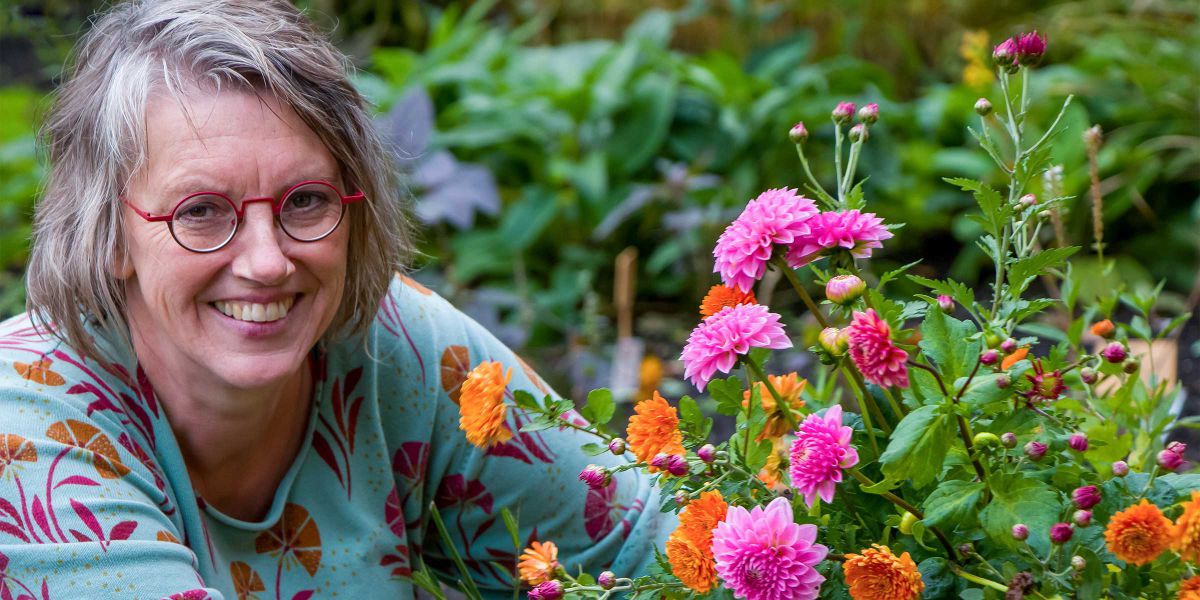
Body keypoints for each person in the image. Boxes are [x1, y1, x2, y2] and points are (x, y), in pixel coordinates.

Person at [0, 1, 670, 597]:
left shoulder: (393, 347)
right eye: (201, 211)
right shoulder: (27, 427)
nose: (267, 261)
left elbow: (648, 551)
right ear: (110, 234)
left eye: (306, 201)